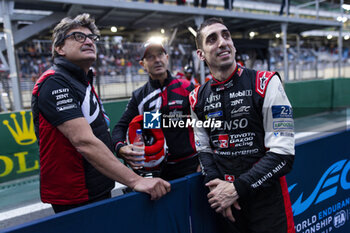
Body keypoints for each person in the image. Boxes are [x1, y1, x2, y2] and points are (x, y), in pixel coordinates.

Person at [31, 13, 170, 213]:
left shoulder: (82, 80)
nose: (88, 41)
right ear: (59, 48)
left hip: (102, 184)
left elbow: (101, 132)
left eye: (91, 38)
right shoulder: (55, 81)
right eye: (79, 36)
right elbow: (87, 140)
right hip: (78, 192)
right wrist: (132, 172)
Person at [189, 17, 295, 233]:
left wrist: (236, 189)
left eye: (226, 35)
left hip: (267, 204)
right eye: (212, 39)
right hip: (227, 207)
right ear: (201, 54)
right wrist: (217, 189)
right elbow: (204, 149)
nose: (222, 42)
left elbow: (283, 155)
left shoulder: (266, 83)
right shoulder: (196, 98)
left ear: (234, 45)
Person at [112, 40, 199, 181]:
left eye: (160, 55)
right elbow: (119, 128)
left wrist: (205, 160)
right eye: (150, 57)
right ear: (143, 64)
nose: (157, 60)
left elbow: (207, 123)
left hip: (192, 167)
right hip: (158, 172)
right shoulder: (139, 96)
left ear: (167, 58)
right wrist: (120, 148)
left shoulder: (187, 87)